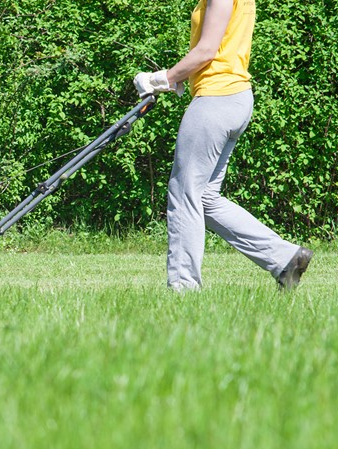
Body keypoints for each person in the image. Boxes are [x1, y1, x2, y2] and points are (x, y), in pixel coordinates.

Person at [133, 0, 312, 291]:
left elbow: (207, 50)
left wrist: (161, 78)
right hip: (236, 97)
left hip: (216, 98)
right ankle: (286, 258)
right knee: (205, 198)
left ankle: (183, 287)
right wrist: (181, 76)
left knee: (183, 192)